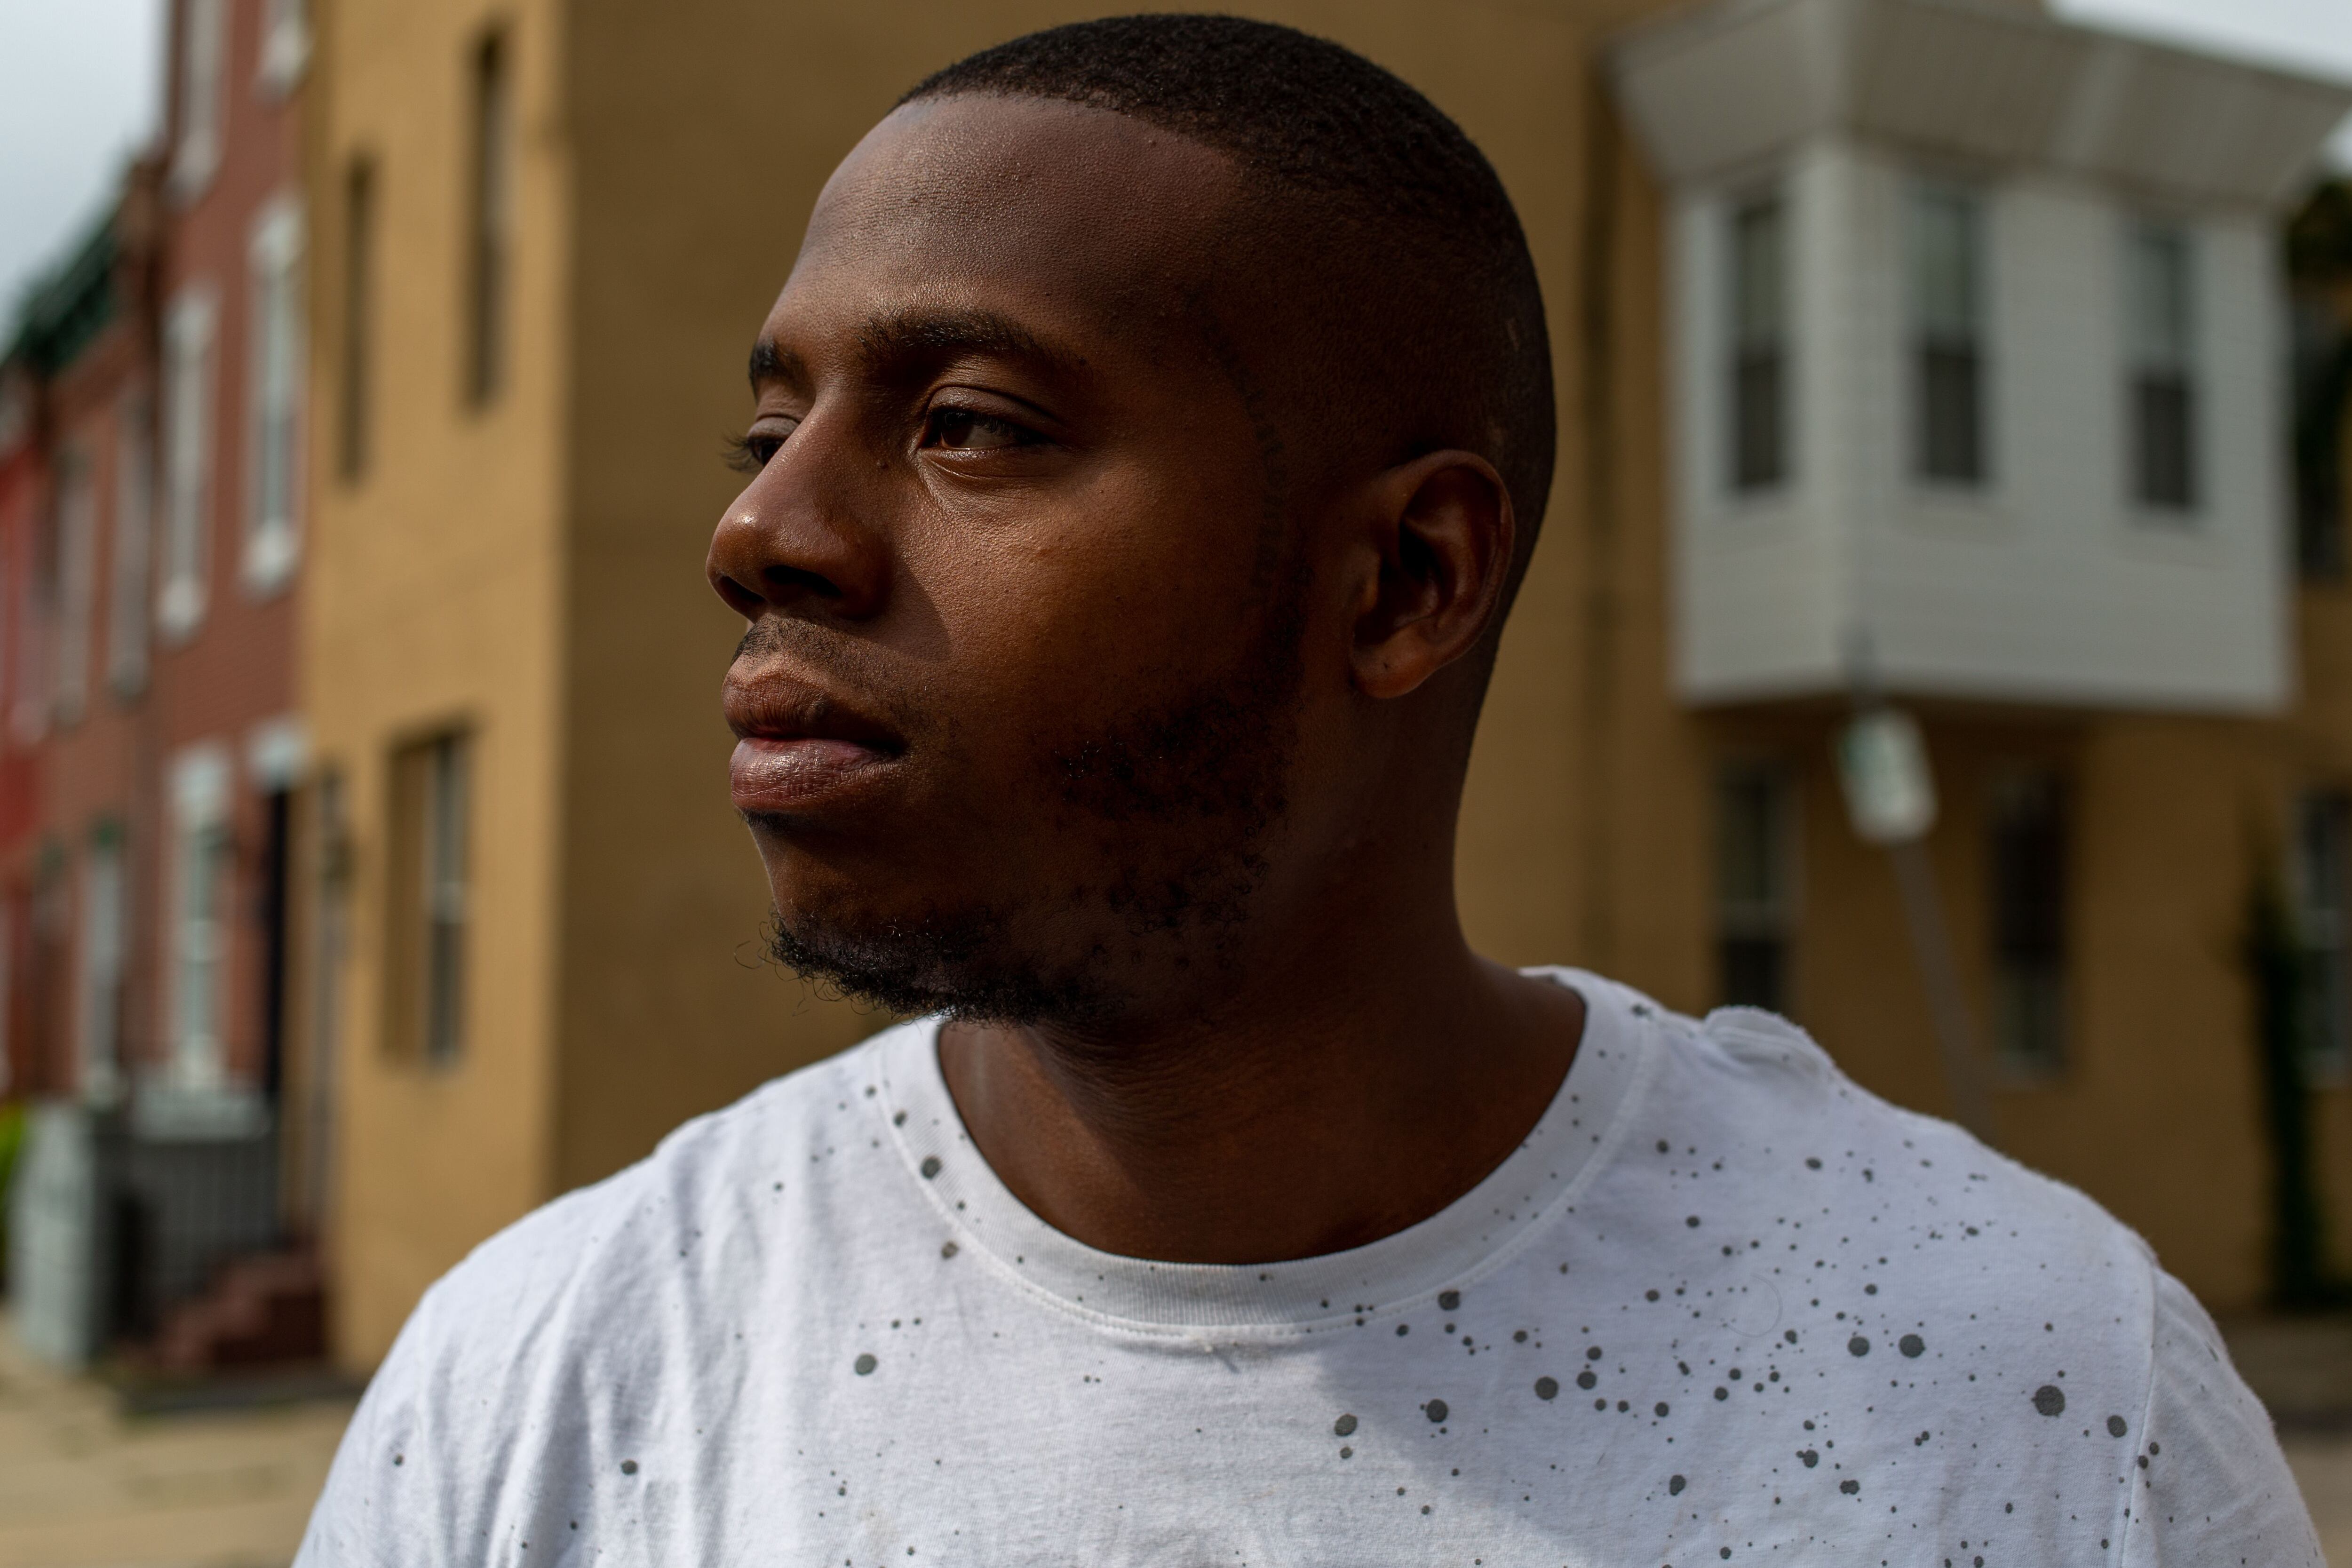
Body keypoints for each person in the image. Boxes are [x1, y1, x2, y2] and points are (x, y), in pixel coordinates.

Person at [297, 16, 2318, 1564]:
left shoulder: (2030, 1401)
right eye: (769, 423)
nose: (762, 528)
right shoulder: (559, 1386)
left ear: (1404, 581)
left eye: (971, 426)